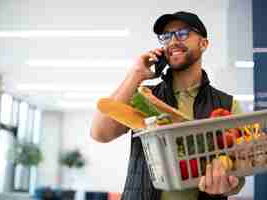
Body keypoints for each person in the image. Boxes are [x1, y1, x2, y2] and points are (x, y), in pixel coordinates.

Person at [91, 11, 245, 200]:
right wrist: (136, 74)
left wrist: (227, 186)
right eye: (166, 36)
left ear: (203, 43)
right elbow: (100, 133)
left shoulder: (227, 104)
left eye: (182, 33)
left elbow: (240, 172)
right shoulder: (144, 97)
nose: (172, 41)